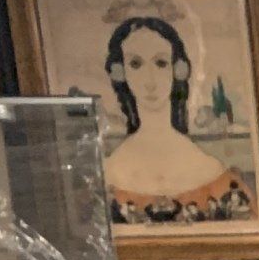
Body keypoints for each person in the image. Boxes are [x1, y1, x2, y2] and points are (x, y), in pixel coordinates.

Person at [101, 13, 251, 225]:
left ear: (178, 70)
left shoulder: (212, 171)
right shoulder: (109, 171)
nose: (150, 81)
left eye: (161, 63)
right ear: (120, 72)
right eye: (136, 64)